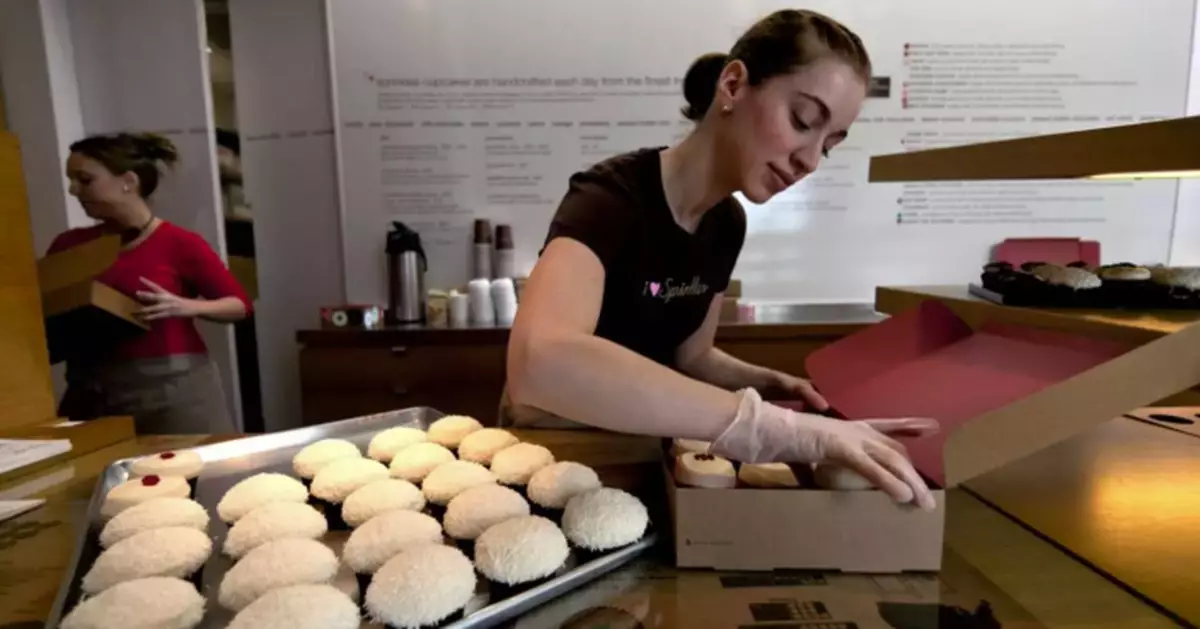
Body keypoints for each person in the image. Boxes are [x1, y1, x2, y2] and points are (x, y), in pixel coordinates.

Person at [505, 9, 938, 510]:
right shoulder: (610, 199)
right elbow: (540, 361)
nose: (810, 160)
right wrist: (777, 428)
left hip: (645, 452)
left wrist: (775, 385)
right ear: (733, 85)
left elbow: (692, 358)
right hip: (558, 453)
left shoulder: (726, 223)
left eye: (829, 146)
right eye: (803, 121)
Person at [50, 132, 251, 434]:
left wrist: (185, 306)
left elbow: (239, 305)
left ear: (128, 181)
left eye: (85, 180)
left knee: (193, 464)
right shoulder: (68, 245)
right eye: (71, 180)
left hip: (173, 393)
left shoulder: (180, 243)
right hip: (90, 392)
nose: (73, 189)